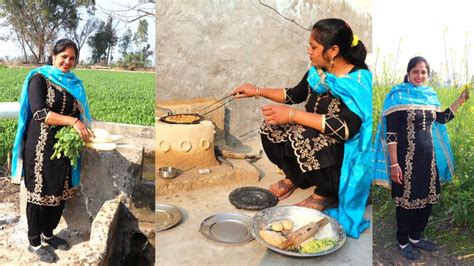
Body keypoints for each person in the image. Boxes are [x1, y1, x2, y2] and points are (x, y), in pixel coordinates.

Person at [232, 18, 373, 238]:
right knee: (272, 128)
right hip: (318, 136)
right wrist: (256, 90)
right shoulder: (318, 72)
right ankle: (296, 177)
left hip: (345, 150)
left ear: (333, 50)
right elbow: (293, 95)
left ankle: (327, 193)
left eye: (314, 47)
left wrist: (293, 115)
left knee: (303, 135)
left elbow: (347, 129)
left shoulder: (358, 81)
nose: (309, 51)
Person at [373, 56, 469, 260]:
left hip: (428, 160)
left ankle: (416, 237)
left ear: (428, 74)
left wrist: (460, 101)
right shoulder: (397, 96)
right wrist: (395, 164)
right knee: (406, 202)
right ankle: (402, 240)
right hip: (405, 160)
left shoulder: (429, 96)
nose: (419, 75)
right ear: (408, 73)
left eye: (423, 72)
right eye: (415, 71)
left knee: (427, 201)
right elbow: (392, 134)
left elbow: (441, 119)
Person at [11, 39, 93, 263]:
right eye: (63, 56)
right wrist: (73, 122)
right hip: (40, 147)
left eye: (72, 58)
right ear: (54, 55)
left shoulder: (75, 83)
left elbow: (80, 114)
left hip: (64, 148)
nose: (67, 61)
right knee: (39, 195)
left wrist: (81, 127)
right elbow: (39, 113)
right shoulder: (39, 78)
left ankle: (48, 234)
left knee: (59, 192)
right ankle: (34, 242)